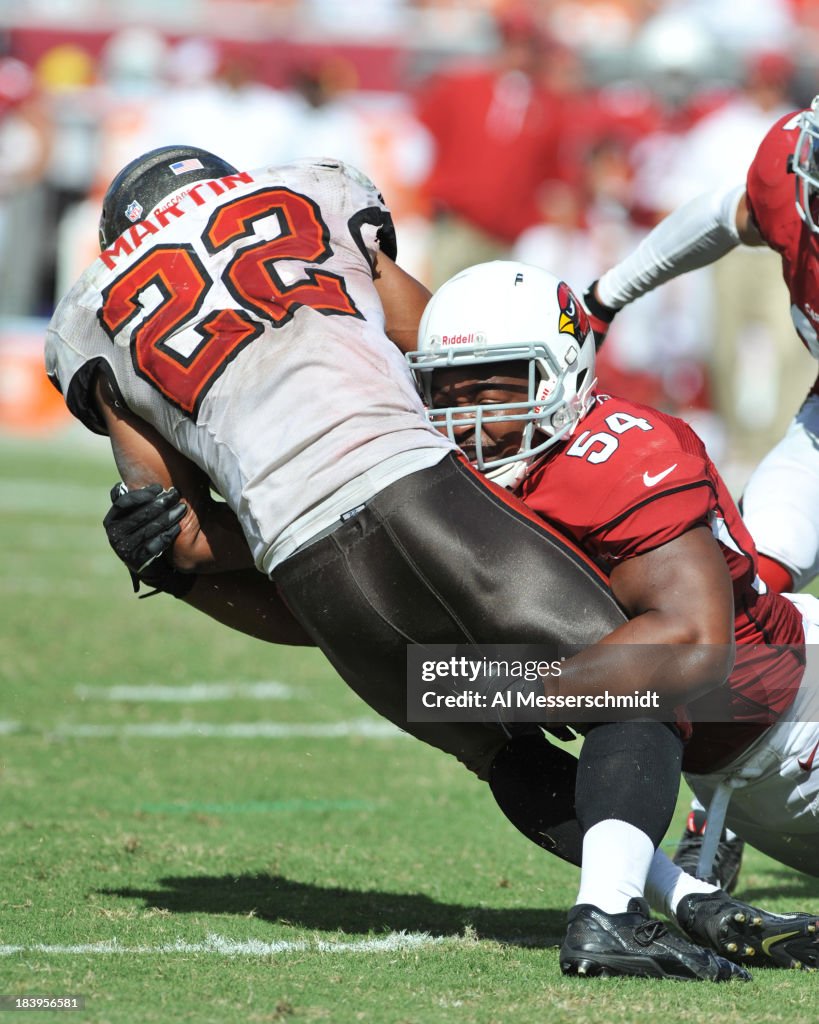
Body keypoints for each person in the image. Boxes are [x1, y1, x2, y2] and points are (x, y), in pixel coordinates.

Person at [45, 147, 743, 983]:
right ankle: (608, 917)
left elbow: (184, 539)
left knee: (499, 751)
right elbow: (439, 337)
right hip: (419, 493)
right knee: (637, 680)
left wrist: (193, 545)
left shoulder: (87, 315)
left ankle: (678, 898)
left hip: (304, 561)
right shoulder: (305, 188)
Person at [407, 259, 819, 975]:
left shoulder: (619, 452)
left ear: (558, 377)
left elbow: (690, 648)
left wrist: (505, 687)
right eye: (444, 385)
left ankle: (615, 913)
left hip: (797, 712)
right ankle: (661, 899)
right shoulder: (452, 482)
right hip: (730, 776)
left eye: (494, 381)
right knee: (499, 718)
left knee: (622, 673)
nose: (464, 412)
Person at [581, 91, 819, 881]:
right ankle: (711, 809)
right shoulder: (787, 174)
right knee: (742, 582)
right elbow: (726, 216)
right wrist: (608, 292)